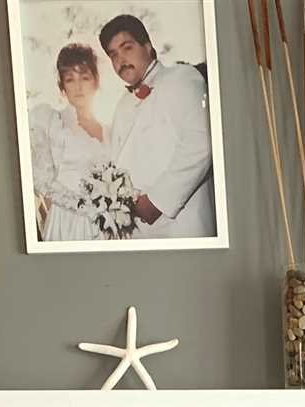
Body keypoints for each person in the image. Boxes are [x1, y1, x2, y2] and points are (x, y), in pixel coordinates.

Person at [99, 13, 217, 240]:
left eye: (127, 48)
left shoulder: (182, 78)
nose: (121, 60)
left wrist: (157, 201)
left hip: (181, 224)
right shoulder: (122, 105)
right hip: (137, 233)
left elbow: (201, 142)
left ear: (148, 46)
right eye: (113, 55)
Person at [31, 43, 111, 242]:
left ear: (96, 81)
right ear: (62, 86)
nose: (78, 86)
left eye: (85, 77)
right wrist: (86, 208)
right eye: (70, 79)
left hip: (106, 224)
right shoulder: (52, 121)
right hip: (67, 221)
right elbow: (42, 180)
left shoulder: (110, 130)